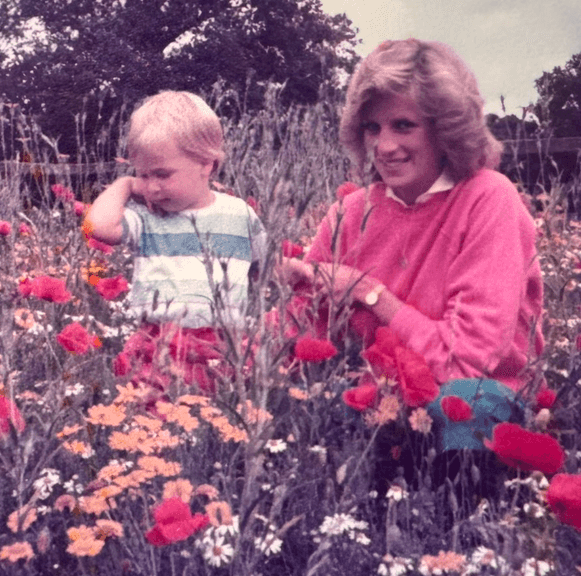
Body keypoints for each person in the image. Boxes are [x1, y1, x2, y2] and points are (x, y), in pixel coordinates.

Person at [281, 39, 545, 514]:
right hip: (376, 403)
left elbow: (468, 364)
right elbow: (298, 335)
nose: (384, 146)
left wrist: (366, 293)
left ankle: (465, 542)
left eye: (404, 125)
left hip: (468, 408)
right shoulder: (351, 212)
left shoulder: (488, 199)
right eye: (372, 127)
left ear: (446, 129)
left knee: (462, 404)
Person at [85, 91, 266, 393]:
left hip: (221, 348)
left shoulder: (240, 216)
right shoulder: (147, 219)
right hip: (157, 347)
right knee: (155, 427)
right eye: (143, 174)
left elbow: (265, 271)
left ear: (206, 164)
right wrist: (126, 185)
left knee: (215, 427)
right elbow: (97, 226)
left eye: (162, 174)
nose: (152, 187)